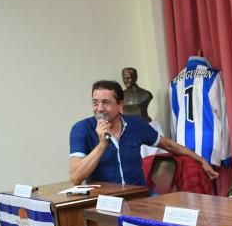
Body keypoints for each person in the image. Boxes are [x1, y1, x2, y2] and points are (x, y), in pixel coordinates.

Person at [69, 80, 218, 186]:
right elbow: (76, 177)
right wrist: (102, 145)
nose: (99, 108)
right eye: (95, 102)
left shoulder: (136, 124)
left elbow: (169, 145)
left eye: (105, 103)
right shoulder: (81, 129)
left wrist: (201, 161)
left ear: (120, 105)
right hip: (102, 204)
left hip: (137, 198)